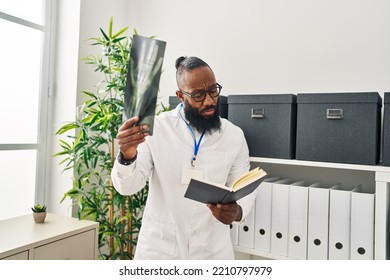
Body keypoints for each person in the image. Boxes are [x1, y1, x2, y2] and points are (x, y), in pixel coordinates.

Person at [111, 56, 257, 259]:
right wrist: (128, 155)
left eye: (213, 91)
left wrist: (238, 212)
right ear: (181, 95)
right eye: (198, 95)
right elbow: (128, 187)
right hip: (160, 250)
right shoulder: (156, 128)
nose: (209, 101)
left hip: (212, 251)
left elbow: (244, 186)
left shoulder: (234, 135)